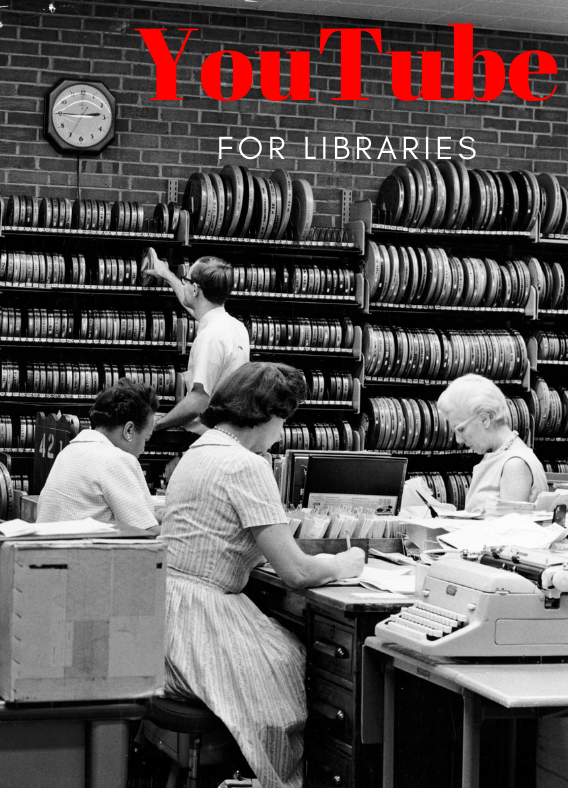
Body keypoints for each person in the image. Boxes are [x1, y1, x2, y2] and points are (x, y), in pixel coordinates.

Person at [158, 362, 365, 787]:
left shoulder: (198, 452)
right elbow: (295, 571)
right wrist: (344, 563)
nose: (283, 432)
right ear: (269, 414)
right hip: (202, 624)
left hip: (168, 621)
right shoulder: (246, 466)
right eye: (284, 419)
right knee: (291, 667)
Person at [143, 248, 249, 434]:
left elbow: (198, 402)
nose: (184, 284)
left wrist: (156, 425)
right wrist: (166, 274)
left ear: (194, 289)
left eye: (186, 280)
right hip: (229, 433)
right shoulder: (235, 327)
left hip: (209, 438)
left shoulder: (210, 336)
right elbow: (193, 306)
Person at [36, 379, 160, 532]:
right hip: (82, 554)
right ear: (129, 430)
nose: (143, 449)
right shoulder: (117, 460)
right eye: (146, 439)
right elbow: (147, 533)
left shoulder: (69, 452)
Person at [437, 373, 548, 512]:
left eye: (461, 429)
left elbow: (508, 532)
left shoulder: (514, 465)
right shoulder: (505, 457)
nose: (459, 439)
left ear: (485, 419)